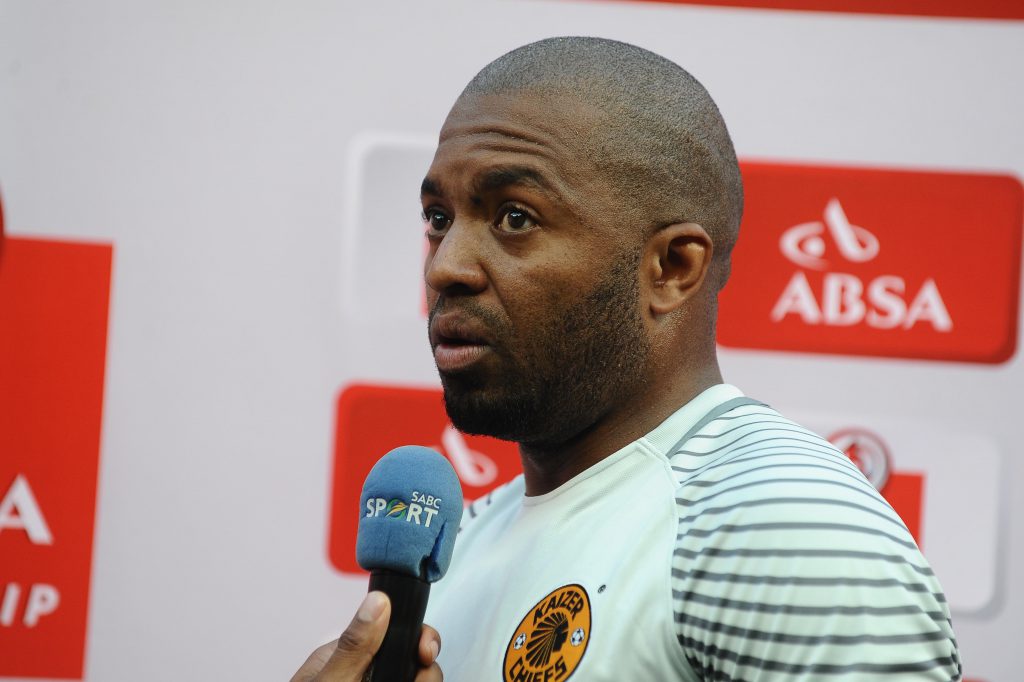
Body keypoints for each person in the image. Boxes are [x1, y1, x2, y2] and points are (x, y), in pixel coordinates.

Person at [296, 37, 961, 681]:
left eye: (515, 218)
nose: (445, 266)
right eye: (439, 217)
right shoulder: (469, 537)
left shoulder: (782, 524)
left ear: (672, 266)